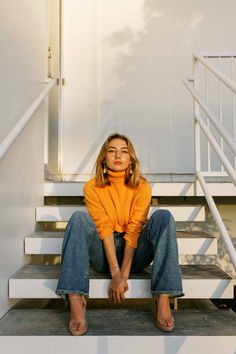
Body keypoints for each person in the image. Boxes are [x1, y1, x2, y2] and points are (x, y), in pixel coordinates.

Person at [56, 133, 184, 335]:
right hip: (102, 254)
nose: (118, 155)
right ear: (103, 158)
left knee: (163, 217)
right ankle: (76, 299)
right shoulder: (92, 187)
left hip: (134, 254)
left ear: (130, 160)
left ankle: (162, 298)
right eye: (112, 150)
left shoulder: (141, 187)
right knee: (77, 219)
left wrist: (124, 275)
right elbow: (103, 227)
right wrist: (115, 273)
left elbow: (134, 231)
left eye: (124, 151)